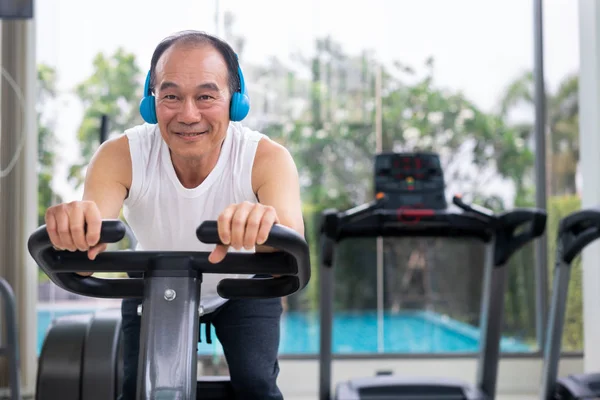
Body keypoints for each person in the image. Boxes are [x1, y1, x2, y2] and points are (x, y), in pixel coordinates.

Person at [43, 30, 304, 400]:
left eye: (206, 96)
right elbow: (86, 258)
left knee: (257, 386)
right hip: (154, 283)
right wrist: (75, 231)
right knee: (139, 391)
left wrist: (263, 230)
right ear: (152, 102)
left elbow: (289, 260)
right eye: (171, 96)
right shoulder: (121, 156)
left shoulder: (266, 158)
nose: (188, 114)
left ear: (236, 101)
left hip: (245, 285)